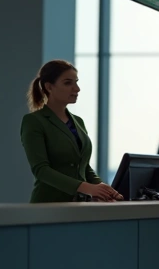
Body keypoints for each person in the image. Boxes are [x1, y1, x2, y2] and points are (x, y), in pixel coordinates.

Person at [20, 60, 122, 203]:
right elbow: (41, 170)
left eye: (76, 82)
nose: (77, 88)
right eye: (68, 83)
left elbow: (83, 167)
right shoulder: (34, 121)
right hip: (48, 205)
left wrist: (102, 188)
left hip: (78, 205)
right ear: (49, 87)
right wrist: (85, 187)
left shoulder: (78, 122)